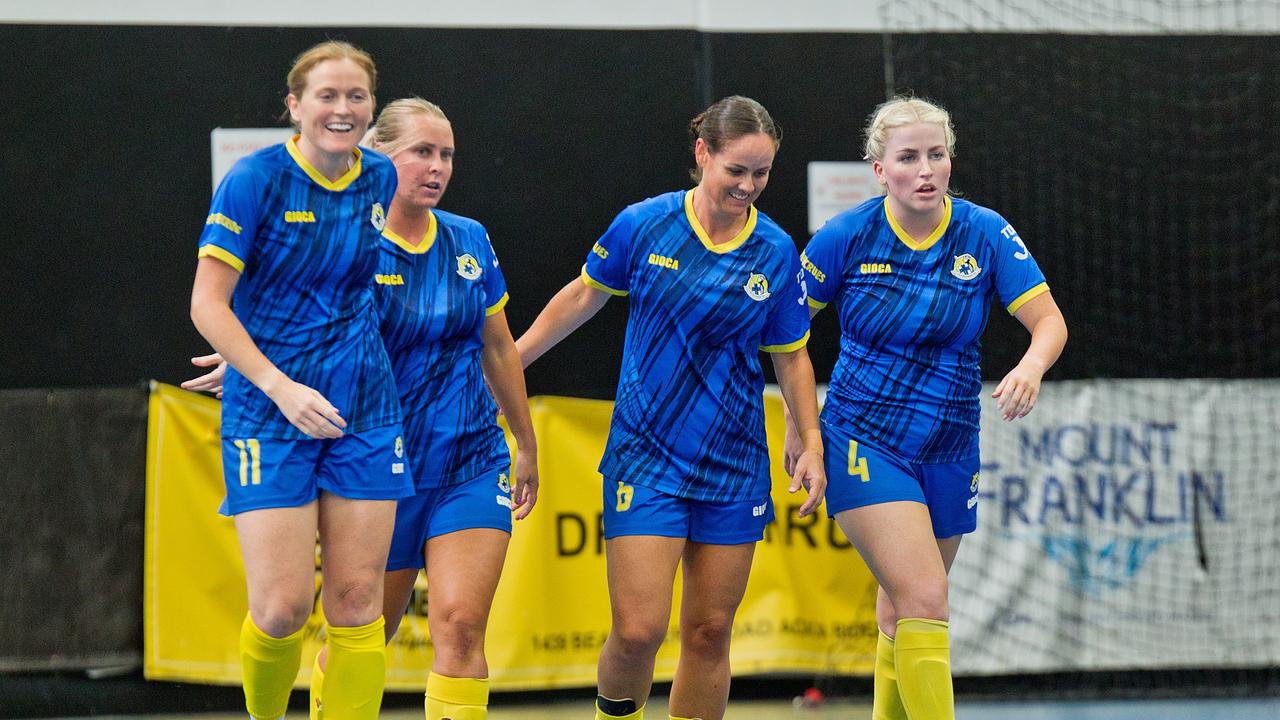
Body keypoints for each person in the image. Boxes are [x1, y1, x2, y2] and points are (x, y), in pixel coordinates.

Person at [185, 98, 540, 720]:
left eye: (447, 155)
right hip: (380, 461)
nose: (438, 168)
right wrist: (248, 365)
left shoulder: (469, 239)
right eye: (422, 153)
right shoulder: (351, 246)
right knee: (362, 623)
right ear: (377, 158)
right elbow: (293, 324)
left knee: (460, 627)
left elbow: (499, 347)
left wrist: (526, 441)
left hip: (470, 457)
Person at [514, 95, 826, 720]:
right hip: (645, 456)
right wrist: (508, 365)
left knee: (709, 633)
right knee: (638, 631)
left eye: (761, 172)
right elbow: (581, 297)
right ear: (702, 153)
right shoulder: (645, 224)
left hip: (733, 463)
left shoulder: (774, 248)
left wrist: (809, 439)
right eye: (736, 168)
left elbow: (791, 355)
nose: (748, 185)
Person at [788, 96, 1068, 720]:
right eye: (908, 157)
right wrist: (802, 433)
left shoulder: (984, 231)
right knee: (925, 595)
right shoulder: (846, 236)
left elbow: (1049, 323)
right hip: (864, 437)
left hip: (948, 443)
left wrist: (1029, 365)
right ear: (878, 168)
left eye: (936, 155)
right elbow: (786, 340)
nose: (925, 169)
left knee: (901, 606)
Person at [188, 41, 409, 720]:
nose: (342, 110)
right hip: (271, 413)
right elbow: (207, 305)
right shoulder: (254, 181)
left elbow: (362, 290)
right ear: (295, 105)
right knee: (282, 609)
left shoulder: (380, 178)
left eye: (356, 97)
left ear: (371, 107)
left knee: (356, 603)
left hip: (365, 409)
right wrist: (272, 378)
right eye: (327, 96)